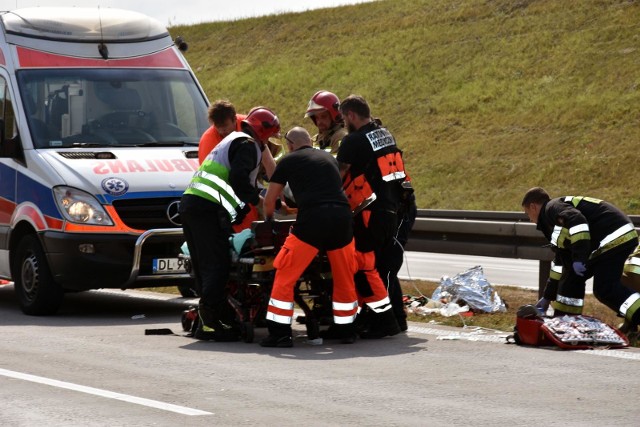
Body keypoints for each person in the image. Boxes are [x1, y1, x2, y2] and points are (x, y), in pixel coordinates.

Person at [180, 106, 281, 341]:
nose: (267, 142)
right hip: (206, 209)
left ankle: (210, 319)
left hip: (192, 205)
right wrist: (259, 201)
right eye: (268, 136)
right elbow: (238, 180)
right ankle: (210, 323)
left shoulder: (233, 140)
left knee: (205, 265)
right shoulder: (247, 145)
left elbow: (236, 179)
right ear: (262, 131)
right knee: (217, 264)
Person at [260, 127, 359, 347]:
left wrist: (269, 221)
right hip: (342, 217)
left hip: (313, 219)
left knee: (286, 273)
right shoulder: (329, 158)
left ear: (290, 145)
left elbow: (270, 200)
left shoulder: (288, 160)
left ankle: (280, 334)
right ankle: (346, 330)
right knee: (343, 275)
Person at [521, 187, 640, 334]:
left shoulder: (552, 208)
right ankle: (566, 323)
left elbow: (578, 221)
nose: (530, 220)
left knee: (605, 288)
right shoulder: (553, 220)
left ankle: (636, 317)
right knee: (571, 280)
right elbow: (560, 262)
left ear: (533, 206)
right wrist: (547, 296)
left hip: (613, 238)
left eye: (528, 214)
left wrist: (580, 258)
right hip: (610, 239)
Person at [336, 94, 405, 338]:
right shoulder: (384, 134)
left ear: (351, 115)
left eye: (344, 117)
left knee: (366, 267)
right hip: (393, 207)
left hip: (369, 211)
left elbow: (337, 175)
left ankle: (380, 320)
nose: (344, 122)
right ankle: (395, 320)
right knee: (385, 266)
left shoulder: (352, 141)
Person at [197, 100, 277, 231]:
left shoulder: (250, 126)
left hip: (245, 181)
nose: (222, 130)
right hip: (225, 187)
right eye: (218, 126)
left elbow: (268, 162)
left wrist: (278, 195)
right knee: (246, 222)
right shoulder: (208, 141)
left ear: (235, 120)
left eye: (225, 125)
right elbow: (220, 183)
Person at [304, 90, 346, 154]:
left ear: (333, 115)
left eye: (323, 117)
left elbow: (335, 163)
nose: (319, 121)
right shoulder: (315, 139)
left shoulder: (341, 136)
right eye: (316, 117)